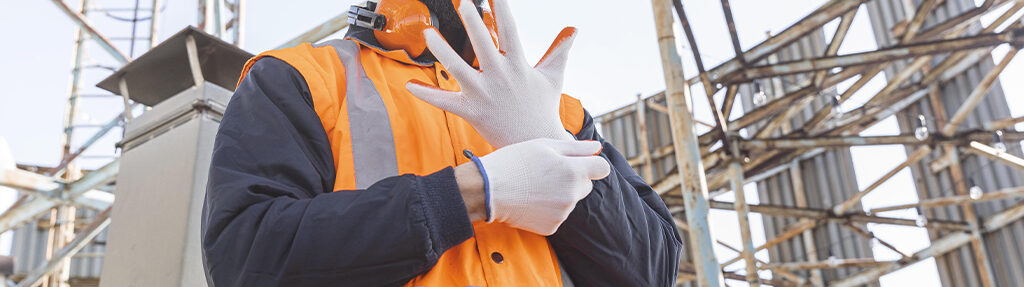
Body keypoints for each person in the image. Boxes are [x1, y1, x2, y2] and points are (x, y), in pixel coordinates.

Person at [200, 0, 682, 286]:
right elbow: (246, 258)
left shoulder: (558, 111)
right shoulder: (301, 78)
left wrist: (547, 137)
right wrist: (469, 192)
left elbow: (653, 271)